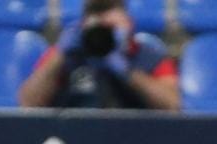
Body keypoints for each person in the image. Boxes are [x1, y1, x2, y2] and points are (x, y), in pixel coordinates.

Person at [17, 0, 180, 111]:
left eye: (111, 27)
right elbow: (28, 103)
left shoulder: (149, 55)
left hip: (135, 139)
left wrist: (128, 72)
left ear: (129, 24)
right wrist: (60, 55)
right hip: (77, 136)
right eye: (100, 28)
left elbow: (172, 106)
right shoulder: (68, 55)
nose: (105, 34)